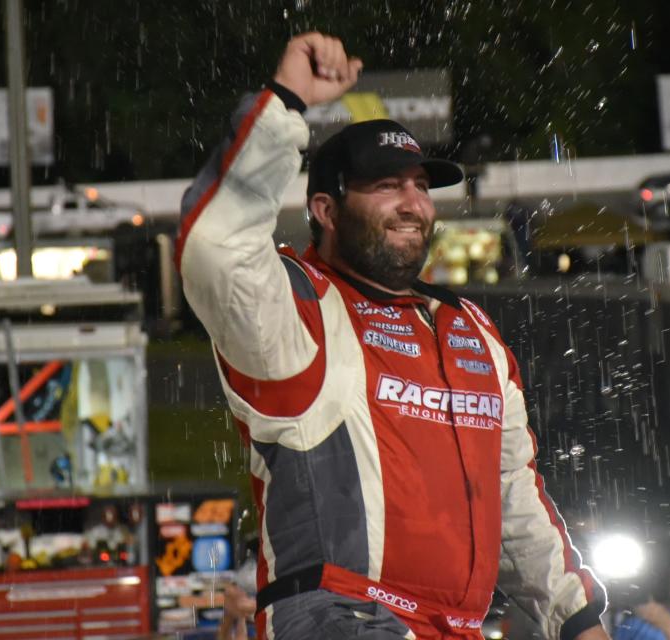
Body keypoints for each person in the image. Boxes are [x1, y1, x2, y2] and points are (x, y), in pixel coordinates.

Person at [177, 32, 608, 640]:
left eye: (421, 186)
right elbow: (214, 246)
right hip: (337, 617)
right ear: (326, 210)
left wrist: (579, 620)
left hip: (458, 628)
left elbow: (513, 498)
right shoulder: (299, 311)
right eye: (386, 186)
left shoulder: (474, 332)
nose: (413, 204)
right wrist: (286, 102)